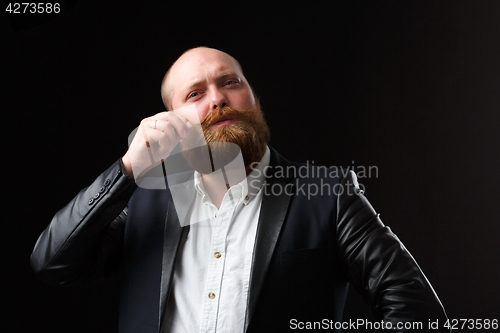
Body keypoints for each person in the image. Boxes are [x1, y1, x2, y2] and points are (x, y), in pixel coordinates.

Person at [31, 47, 449, 333]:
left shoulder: (328, 193)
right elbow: (52, 264)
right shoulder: (142, 200)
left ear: (251, 96)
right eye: (195, 93)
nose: (218, 99)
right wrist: (127, 169)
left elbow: (417, 310)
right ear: (170, 121)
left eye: (230, 82)